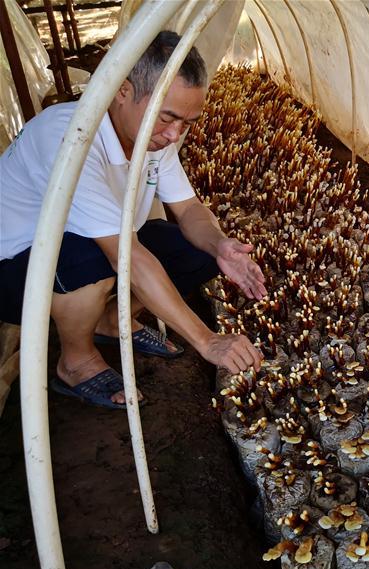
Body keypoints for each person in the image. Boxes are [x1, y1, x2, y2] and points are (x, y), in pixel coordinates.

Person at [0, 31, 265, 410]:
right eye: (167, 117)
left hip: (91, 249)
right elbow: (126, 256)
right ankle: (74, 362)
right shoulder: (71, 137)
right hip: (13, 270)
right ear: (123, 90)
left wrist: (221, 245)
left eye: (187, 123)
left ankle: (110, 320)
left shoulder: (155, 139)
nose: (174, 134)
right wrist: (206, 340)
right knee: (91, 257)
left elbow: (189, 210)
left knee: (200, 251)